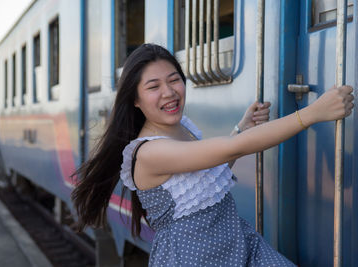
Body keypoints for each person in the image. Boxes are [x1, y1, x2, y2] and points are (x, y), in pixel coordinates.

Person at [71, 43, 354, 266]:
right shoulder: (149, 152)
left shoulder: (180, 128)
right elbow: (233, 149)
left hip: (238, 244)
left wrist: (242, 127)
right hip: (196, 260)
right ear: (135, 99)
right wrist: (314, 113)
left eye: (174, 80)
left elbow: (207, 173)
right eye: (154, 87)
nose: (169, 93)